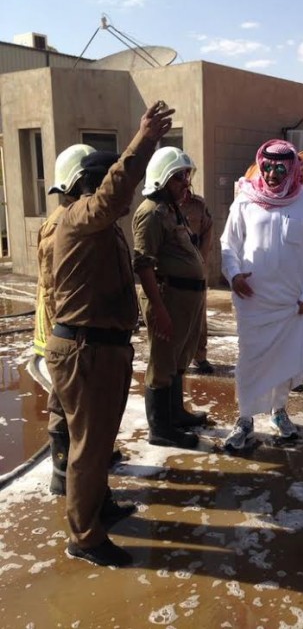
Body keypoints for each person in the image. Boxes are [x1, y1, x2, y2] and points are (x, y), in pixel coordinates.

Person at [45, 101, 175, 567]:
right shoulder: (81, 216)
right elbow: (116, 189)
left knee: (98, 443)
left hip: (101, 348)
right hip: (85, 350)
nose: (120, 196)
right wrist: (144, 141)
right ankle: (84, 537)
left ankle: (98, 507)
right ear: (85, 186)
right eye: (105, 184)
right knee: (88, 448)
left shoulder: (102, 228)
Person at [220, 138, 303, 450]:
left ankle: (279, 411)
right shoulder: (245, 200)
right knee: (250, 361)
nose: (272, 172)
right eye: (267, 166)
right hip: (253, 301)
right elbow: (229, 244)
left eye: (280, 167)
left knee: (285, 360)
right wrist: (234, 273)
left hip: (293, 303)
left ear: (292, 168)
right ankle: (245, 419)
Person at [133, 147, 208, 451]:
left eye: (186, 176)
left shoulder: (172, 209)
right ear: (162, 179)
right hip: (168, 298)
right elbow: (143, 264)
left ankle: (175, 414)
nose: (185, 184)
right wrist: (159, 309)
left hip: (187, 300)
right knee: (163, 362)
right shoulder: (150, 213)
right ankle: (161, 429)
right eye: (179, 178)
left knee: (179, 359)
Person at [34, 143, 95, 496]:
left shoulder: (73, 219)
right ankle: (63, 469)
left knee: (73, 400)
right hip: (65, 331)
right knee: (65, 401)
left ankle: (73, 462)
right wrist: (71, 334)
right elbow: (57, 287)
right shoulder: (63, 226)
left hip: (66, 328)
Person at [180, 184, 215, 374]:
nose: (183, 181)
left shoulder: (198, 205)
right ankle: (178, 357)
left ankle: (200, 356)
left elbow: (208, 232)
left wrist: (200, 261)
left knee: (199, 315)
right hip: (173, 269)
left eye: (186, 175)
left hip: (197, 268)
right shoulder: (161, 206)